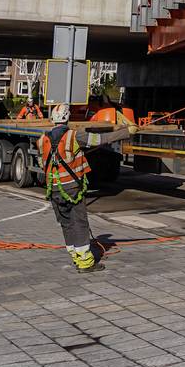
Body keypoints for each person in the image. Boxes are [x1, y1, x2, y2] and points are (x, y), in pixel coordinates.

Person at [40, 103, 137, 273]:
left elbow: (45, 163)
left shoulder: (44, 139)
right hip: (71, 188)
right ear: (68, 118)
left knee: (67, 224)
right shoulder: (75, 136)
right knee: (80, 224)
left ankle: (76, 256)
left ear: (53, 119)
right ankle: (85, 263)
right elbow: (101, 140)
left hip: (54, 189)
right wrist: (126, 132)